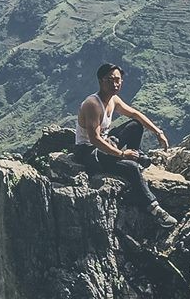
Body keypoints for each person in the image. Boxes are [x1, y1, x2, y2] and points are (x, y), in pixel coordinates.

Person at [73, 63, 176, 228]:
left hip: (105, 143)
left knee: (135, 125)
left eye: (118, 80)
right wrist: (122, 155)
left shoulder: (113, 99)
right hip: (88, 152)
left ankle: (135, 156)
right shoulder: (92, 104)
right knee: (131, 168)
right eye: (110, 80)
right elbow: (94, 139)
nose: (115, 84)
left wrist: (158, 132)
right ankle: (155, 210)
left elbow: (135, 114)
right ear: (101, 81)